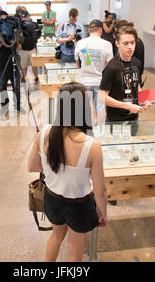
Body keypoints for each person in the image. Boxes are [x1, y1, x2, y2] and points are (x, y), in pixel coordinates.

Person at [27, 82, 108, 262]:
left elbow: (32, 166)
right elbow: (100, 190)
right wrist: (103, 212)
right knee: (74, 251)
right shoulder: (91, 145)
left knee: (56, 236)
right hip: (80, 204)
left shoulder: (45, 132)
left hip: (52, 198)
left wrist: (53, 170)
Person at [99, 26, 152, 206]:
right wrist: (126, 105)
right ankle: (111, 192)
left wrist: (144, 100)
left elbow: (137, 86)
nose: (130, 47)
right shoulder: (111, 68)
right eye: (126, 43)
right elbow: (102, 97)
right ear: (117, 43)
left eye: (133, 43)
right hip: (115, 119)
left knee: (128, 151)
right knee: (112, 157)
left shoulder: (137, 63)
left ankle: (125, 185)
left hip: (133, 118)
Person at [0, 10, 25, 121]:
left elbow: (19, 48)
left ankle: (18, 107)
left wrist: (17, 41)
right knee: (2, 88)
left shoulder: (13, 31)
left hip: (14, 63)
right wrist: (0, 43)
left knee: (16, 87)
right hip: (0, 65)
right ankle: (5, 108)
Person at [75, 19, 113, 124]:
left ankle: (85, 132)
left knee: (85, 109)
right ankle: (100, 132)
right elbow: (110, 67)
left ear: (90, 30)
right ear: (101, 30)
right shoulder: (107, 44)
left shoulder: (80, 43)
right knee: (100, 109)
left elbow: (78, 64)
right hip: (101, 82)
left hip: (84, 81)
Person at [18, 10, 40, 84]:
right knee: (24, 66)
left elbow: (38, 33)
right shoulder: (19, 25)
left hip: (32, 48)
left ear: (28, 16)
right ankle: (23, 79)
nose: (24, 18)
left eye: (25, 16)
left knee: (34, 65)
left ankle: (36, 78)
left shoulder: (34, 24)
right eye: (22, 17)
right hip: (23, 49)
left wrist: (34, 39)